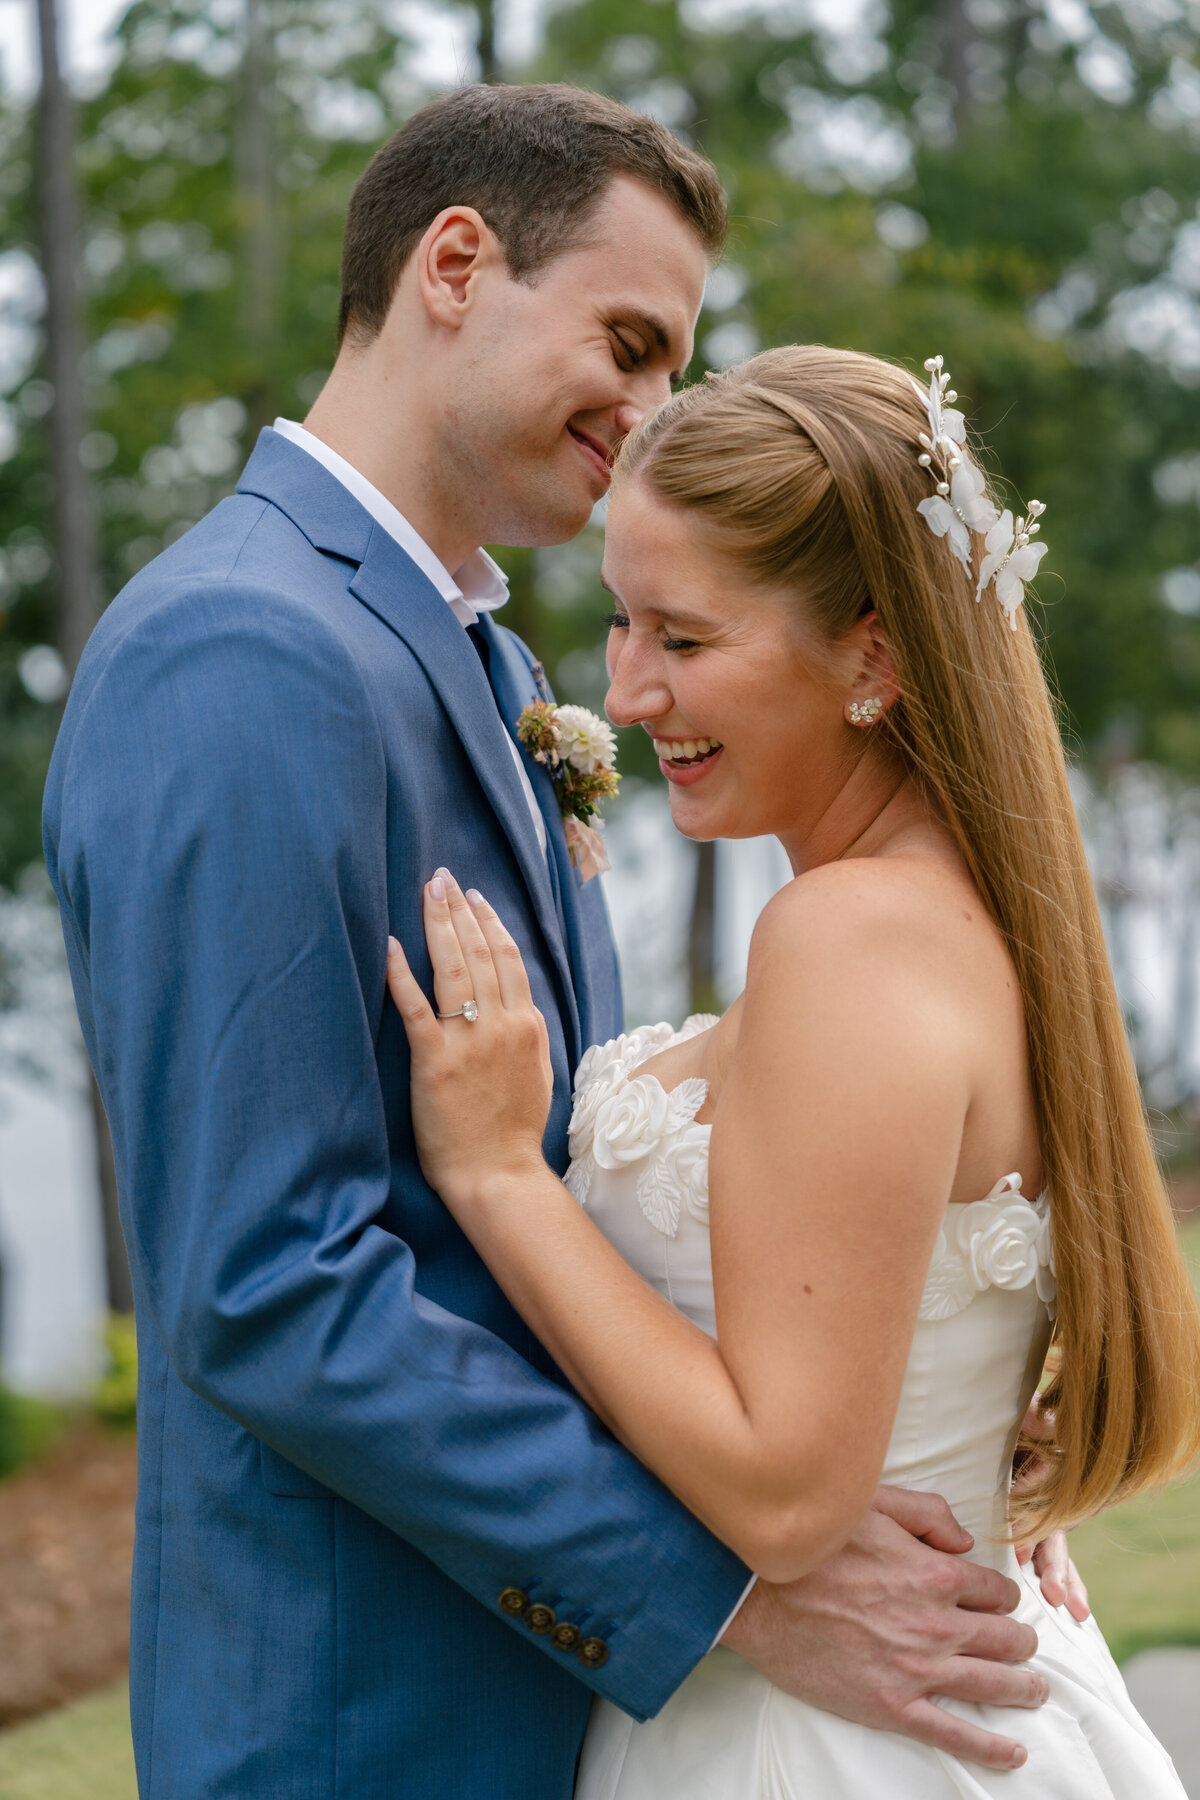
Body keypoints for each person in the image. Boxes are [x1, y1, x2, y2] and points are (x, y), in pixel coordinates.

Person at [45, 85, 1067, 1798]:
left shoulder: (504, 681)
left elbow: (588, 1184)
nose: (654, 410)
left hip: (566, 1715)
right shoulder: (239, 649)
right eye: (631, 340)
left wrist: (938, 1447)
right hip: (371, 1722)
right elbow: (270, 1285)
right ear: (457, 263)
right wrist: (723, 1598)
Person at [386, 343, 1200, 1797]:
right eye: (622, 624)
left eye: (685, 641)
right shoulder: (963, 911)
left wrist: (500, 1174)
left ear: (872, 655)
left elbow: (784, 1491)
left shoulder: (846, 940)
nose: (629, 693)